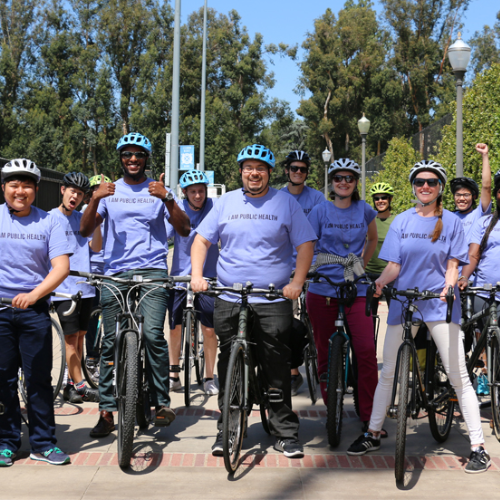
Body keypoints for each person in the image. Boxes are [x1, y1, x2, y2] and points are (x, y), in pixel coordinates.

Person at [347, 160, 491, 474]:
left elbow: (453, 264)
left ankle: (478, 448)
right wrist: (381, 283)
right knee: (388, 374)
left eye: (431, 182)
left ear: (440, 187)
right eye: (419, 182)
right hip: (404, 303)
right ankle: (372, 432)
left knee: (458, 377)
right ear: (414, 186)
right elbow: (394, 265)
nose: (424, 186)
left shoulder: (451, 221)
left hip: (438, 304)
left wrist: (449, 287)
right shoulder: (401, 220)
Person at [191, 144, 316, 458]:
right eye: (248, 167)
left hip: (273, 299)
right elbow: (201, 240)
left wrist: (297, 283)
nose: (254, 173)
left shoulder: (286, 203)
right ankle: (229, 429)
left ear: (270, 173)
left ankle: (285, 433)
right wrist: (197, 275)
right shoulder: (224, 203)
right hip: (230, 296)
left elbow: (305, 244)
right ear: (241, 171)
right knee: (230, 363)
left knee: (276, 365)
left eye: (260, 168)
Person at [80, 132, 191, 438]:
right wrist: (95, 199)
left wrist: (168, 197)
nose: (132, 159)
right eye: (127, 154)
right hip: (116, 273)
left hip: (154, 270)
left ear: (146, 159)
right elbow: (85, 229)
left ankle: (160, 403)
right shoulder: (109, 191)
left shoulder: (158, 190)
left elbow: (183, 229)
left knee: (154, 335)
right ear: (121, 158)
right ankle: (106, 412)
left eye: (138, 154)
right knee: (109, 343)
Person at [0, 159, 72, 466]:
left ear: (36, 189)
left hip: (34, 310)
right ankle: (6, 442)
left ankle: (43, 443)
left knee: (38, 379)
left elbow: (61, 267)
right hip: (1, 311)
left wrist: (33, 296)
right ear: (3, 188)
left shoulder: (50, 221)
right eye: (14, 184)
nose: (20, 191)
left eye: (27, 185)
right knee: (2, 379)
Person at [306, 158, 379, 433]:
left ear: (356, 182)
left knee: (366, 352)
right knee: (324, 354)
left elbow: (372, 239)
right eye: (338, 178)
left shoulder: (365, 210)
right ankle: (332, 408)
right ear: (332, 183)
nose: (344, 182)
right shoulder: (319, 211)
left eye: (349, 178)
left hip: (356, 289)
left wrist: (362, 263)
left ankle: (369, 416)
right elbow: (306, 243)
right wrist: (304, 273)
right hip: (322, 288)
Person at [49, 172, 101, 404]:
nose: (75, 196)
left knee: (80, 338)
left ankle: (71, 386)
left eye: (80, 194)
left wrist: (97, 224)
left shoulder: (83, 218)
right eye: (72, 191)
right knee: (70, 338)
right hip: (63, 288)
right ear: (63, 190)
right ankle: (81, 386)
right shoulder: (49, 218)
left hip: (85, 287)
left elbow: (96, 248)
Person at [167, 169, 219, 395]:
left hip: (209, 277)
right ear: (185, 192)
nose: (198, 195)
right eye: (193, 192)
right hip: (180, 277)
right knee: (174, 328)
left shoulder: (215, 208)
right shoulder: (178, 210)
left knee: (208, 329)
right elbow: (165, 235)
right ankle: (174, 373)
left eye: (201, 191)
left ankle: (209, 376)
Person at [280, 150, 325, 396]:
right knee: (287, 322)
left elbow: (322, 233)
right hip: (285, 267)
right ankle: (293, 371)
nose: (298, 172)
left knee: (320, 319)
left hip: (313, 266)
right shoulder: (277, 197)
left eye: (303, 169)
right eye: (294, 168)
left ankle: (327, 365)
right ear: (287, 170)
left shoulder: (317, 198)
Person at [81, 175, 112, 382]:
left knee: (110, 319)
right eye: (94, 191)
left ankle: (109, 359)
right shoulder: (87, 212)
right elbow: (94, 246)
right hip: (92, 272)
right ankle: (92, 358)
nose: (98, 194)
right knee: (94, 320)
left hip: (110, 270)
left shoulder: (113, 210)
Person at [365, 182, 396, 325]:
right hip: (369, 274)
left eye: (383, 197)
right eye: (376, 198)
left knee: (396, 318)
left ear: (390, 199)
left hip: (391, 277)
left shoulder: (396, 221)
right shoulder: (368, 220)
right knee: (368, 319)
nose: (380, 201)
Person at [450, 143, 491, 242]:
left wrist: (485, 155)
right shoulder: (449, 217)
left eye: (466, 195)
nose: (461, 199)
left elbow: (486, 187)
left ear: (474, 197)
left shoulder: (479, 214)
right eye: (458, 195)